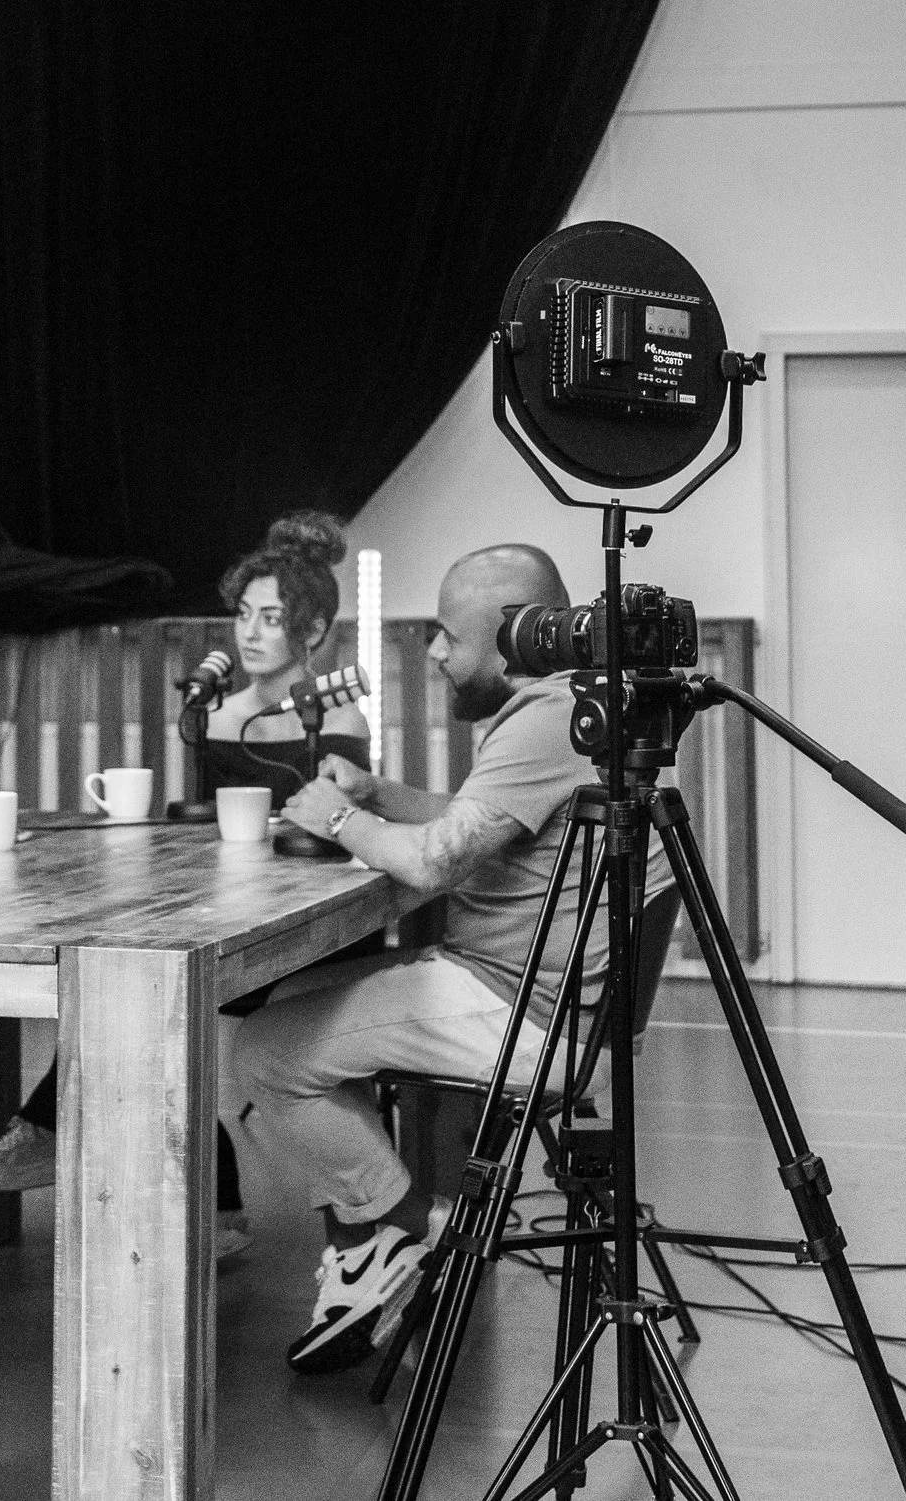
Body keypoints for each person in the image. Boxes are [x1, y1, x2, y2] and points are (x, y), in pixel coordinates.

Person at [0, 511, 370, 1260]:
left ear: (311, 633)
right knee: (137, 972)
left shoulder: (336, 714)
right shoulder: (218, 714)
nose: (249, 633)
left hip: (307, 923)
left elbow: (340, 822)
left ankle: (57, 1135)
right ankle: (186, 1195)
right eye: (243, 615)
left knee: (162, 998)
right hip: (230, 906)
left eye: (271, 619)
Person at [233, 542, 602, 1375]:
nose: (433, 652)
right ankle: (367, 1253)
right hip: (534, 996)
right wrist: (380, 796)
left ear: (515, 637)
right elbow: (492, 818)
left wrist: (337, 818)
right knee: (288, 998)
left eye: (445, 635)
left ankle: (408, 1225)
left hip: (527, 1017)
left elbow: (435, 862)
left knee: (261, 1054)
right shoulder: (574, 707)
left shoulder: (546, 720)